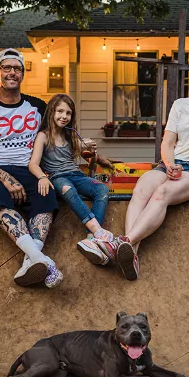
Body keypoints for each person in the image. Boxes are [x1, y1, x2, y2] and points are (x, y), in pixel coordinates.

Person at [97, 56, 189, 281]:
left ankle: (123, 243)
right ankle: (131, 254)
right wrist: (169, 163)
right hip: (171, 163)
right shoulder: (180, 104)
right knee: (143, 186)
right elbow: (167, 143)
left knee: (162, 193)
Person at [0, 48, 62, 288]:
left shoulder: (39, 107)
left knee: (47, 193)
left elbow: (60, 137)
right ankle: (43, 261)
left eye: (17, 68)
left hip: (29, 169)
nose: (12, 73)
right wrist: (5, 178)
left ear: (22, 74)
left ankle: (32, 261)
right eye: (6, 68)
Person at [28, 94, 117, 266]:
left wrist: (98, 155)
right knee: (67, 188)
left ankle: (91, 239)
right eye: (60, 111)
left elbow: (89, 154)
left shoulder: (71, 136)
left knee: (102, 189)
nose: (64, 116)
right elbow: (33, 164)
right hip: (57, 177)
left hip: (76, 175)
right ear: (51, 112)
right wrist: (41, 177)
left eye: (68, 113)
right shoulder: (43, 136)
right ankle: (97, 231)